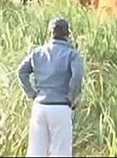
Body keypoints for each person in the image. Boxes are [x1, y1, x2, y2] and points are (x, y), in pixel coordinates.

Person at [18, 17, 85, 158]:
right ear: (68, 34)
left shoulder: (37, 52)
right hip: (61, 107)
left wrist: (32, 93)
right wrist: (72, 96)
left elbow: (21, 71)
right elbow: (77, 74)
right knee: (61, 153)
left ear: (50, 33)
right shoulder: (72, 54)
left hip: (39, 107)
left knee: (36, 152)